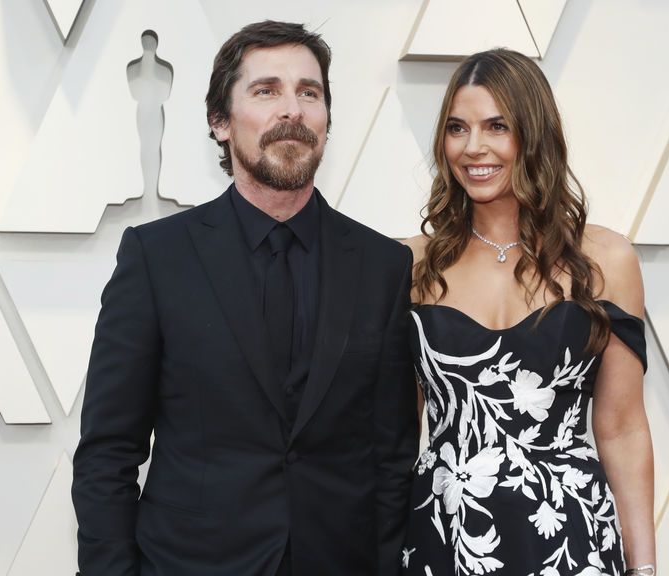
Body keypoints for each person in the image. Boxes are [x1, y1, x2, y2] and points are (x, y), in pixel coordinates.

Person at [72, 20, 418, 576]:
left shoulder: (382, 266)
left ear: (327, 119)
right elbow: (107, 453)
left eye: (310, 92)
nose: (293, 110)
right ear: (219, 122)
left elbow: (392, 455)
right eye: (266, 91)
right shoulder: (157, 258)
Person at [400, 49, 656, 576]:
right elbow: (398, 432)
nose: (474, 148)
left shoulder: (606, 260)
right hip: (445, 535)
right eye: (457, 128)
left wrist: (645, 568)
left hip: (568, 536)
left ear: (534, 134)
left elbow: (623, 428)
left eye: (497, 126)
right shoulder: (408, 265)